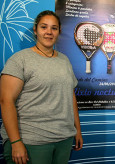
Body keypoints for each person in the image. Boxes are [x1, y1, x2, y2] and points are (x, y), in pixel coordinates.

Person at [0, 10, 83, 164]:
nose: (49, 32)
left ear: (59, 32)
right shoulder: (20, 60)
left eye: (54, 28)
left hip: (63, 139)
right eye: (44, 27)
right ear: (35, 30)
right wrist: (15, 142)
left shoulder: (64, 60)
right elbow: (6, 100)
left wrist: (77, 130)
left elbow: (70, 96)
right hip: (31, 141)